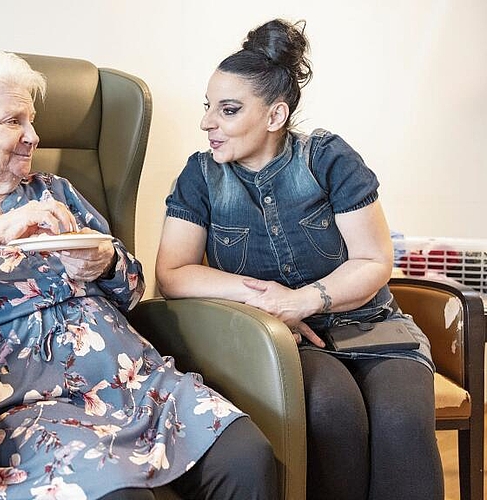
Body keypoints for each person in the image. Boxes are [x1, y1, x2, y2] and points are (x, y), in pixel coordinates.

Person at [0, 50, 277, 500]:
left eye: (32, 121)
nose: (33, 136)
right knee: (119, 495)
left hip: (132, 379)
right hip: (26, 404)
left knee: (246, 456)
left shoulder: (55, 190)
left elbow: (133, 288)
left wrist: (107, 263)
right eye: (13, 121)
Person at [156, 18, 443, 500]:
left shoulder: (328, 158)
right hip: (284, 339)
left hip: (373, 327)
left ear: (275, 116)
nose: (208, 122)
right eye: (208, 108)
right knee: (333, 410)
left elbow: (374, 260)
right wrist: (269, 301)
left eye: (227, 110)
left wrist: (305, 299)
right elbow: (173, 273)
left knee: (403, 422)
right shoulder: (200, 176)